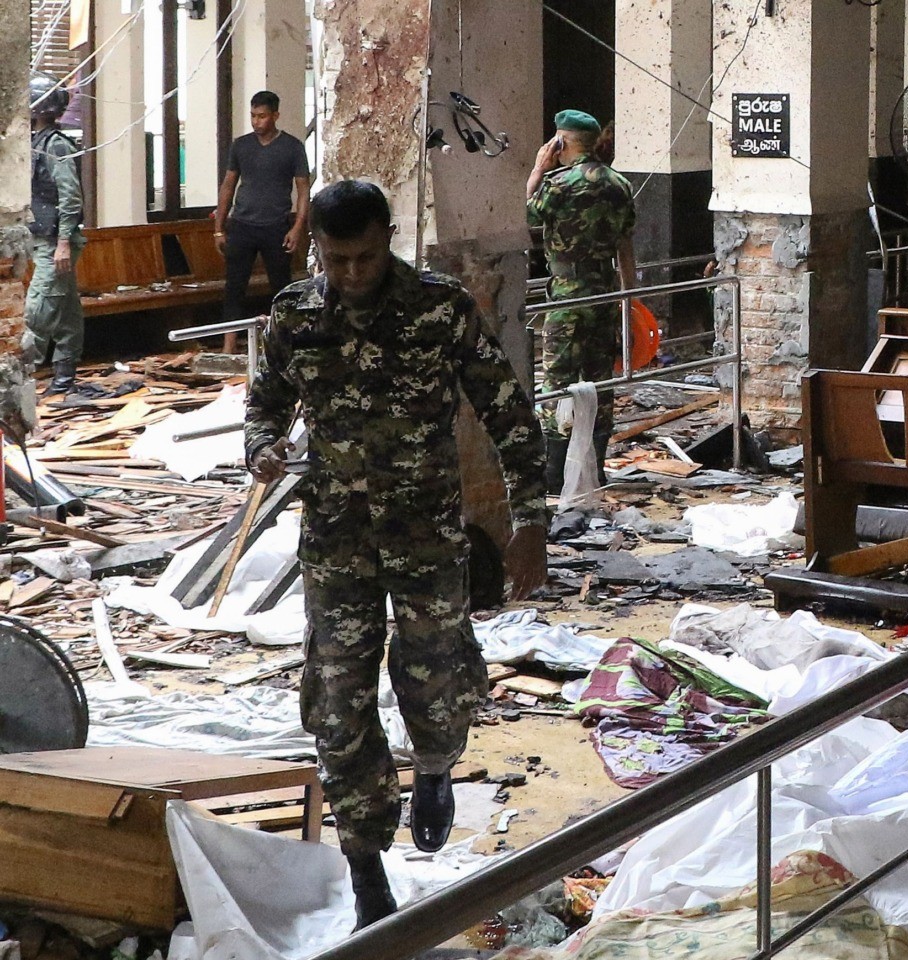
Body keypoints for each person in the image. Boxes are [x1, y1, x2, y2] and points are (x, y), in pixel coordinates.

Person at [244, 180, 548, 930]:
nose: (354, 273)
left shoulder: (440, 309)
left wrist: (531, 523)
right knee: (338, 705)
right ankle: (366, 871)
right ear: (315, 245)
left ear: (390, 240)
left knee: (435, 683)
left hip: (426, 537)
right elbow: (265, 402)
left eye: (368, 257)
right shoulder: (293, 317)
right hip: (337, 542)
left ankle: (437, 767)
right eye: (338, 259)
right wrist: (262, 448)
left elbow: (508, 410)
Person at [526, 109, 637, 490]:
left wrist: (539, 169)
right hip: (605, 292)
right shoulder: (620, 184)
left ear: (561, 142)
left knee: (557, 382)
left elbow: (528, 212)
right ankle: (596, 468)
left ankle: (555, 474)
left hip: (567, 297)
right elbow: (625, 246)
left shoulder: (558, 184)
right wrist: (630, 298)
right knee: (599, 382)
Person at [214, 90, 310, 353]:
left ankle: (283, 346)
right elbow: (228, 186)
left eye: (263, 116)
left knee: (282, 289)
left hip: (276, 227)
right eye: (253, 116)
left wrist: (298, 227)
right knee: (234, 288)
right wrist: (218, 229)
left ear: (275, 116)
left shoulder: (292, 148)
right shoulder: (241, 145)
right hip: (242, 225)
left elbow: (303, 191)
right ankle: (228, 348)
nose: (257, 122)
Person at [26, 72, 85, 395]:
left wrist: (62, 243)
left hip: (56, 243)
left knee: (37, 312)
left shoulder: (56, 145)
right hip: (43, 239)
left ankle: (12, 385)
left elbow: (70, 196)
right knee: (66, 315)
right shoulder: (36, 142)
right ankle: (64, 381)